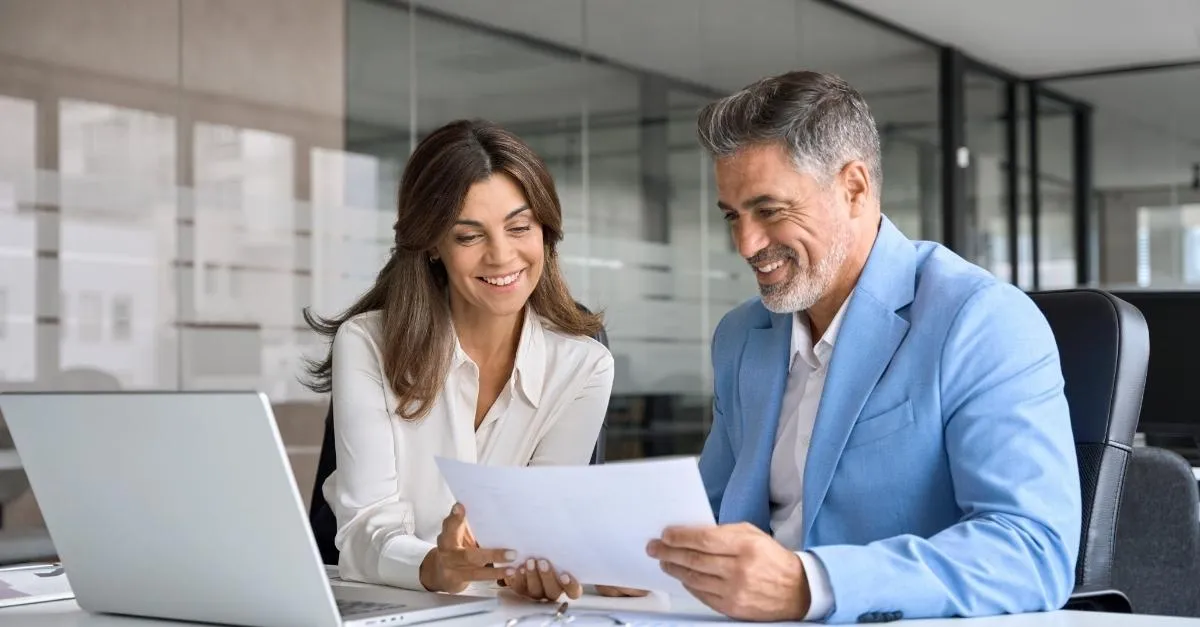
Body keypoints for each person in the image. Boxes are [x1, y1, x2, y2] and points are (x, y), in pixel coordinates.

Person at [646, 71, 1081, 623]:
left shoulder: (979, 320)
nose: (746, 244)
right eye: (733, 215)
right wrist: (607, 565)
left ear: (853, 188)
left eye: (770, 210)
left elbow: (1032, 549)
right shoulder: (742, 335)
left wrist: (813, 585)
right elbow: (705, 516)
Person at [302, 119, 614, 602]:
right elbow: (364, 528)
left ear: (545, 231)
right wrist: (434, 565)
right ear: (432, 245)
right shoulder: (366, 343)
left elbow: (539, 534)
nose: (502, 255)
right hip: (381, 606)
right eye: (469, 236)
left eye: (519, 227)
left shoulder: (585, 365)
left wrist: (558, 563)